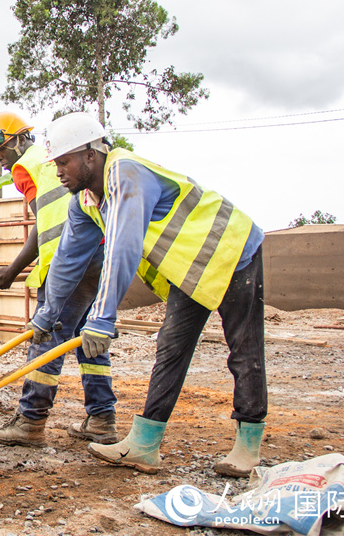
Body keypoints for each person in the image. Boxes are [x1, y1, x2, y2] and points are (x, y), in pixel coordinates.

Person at [32, 112, 267, 477]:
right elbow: (67, 260)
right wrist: (47, 314)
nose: (59, 172)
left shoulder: (125, 173)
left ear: (91, 154)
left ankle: (248, 446)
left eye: (64, 162)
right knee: (170, 348)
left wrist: (102, 318)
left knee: (243, 347)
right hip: (191, 269)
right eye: (56, 164)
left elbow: (122, 247)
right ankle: (145, 444)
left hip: (231, 248)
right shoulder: (85, 202)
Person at [0, 111, 118, 447]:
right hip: (96, 254)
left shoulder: (27, 166)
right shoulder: (50, 159)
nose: (0, 159)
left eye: (1, 150)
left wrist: (12, 271)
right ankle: (101, 418)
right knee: (87, 339)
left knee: (46, 336)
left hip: (66, 262)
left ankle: (30, 421)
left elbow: (43, 226)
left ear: (21, 139)